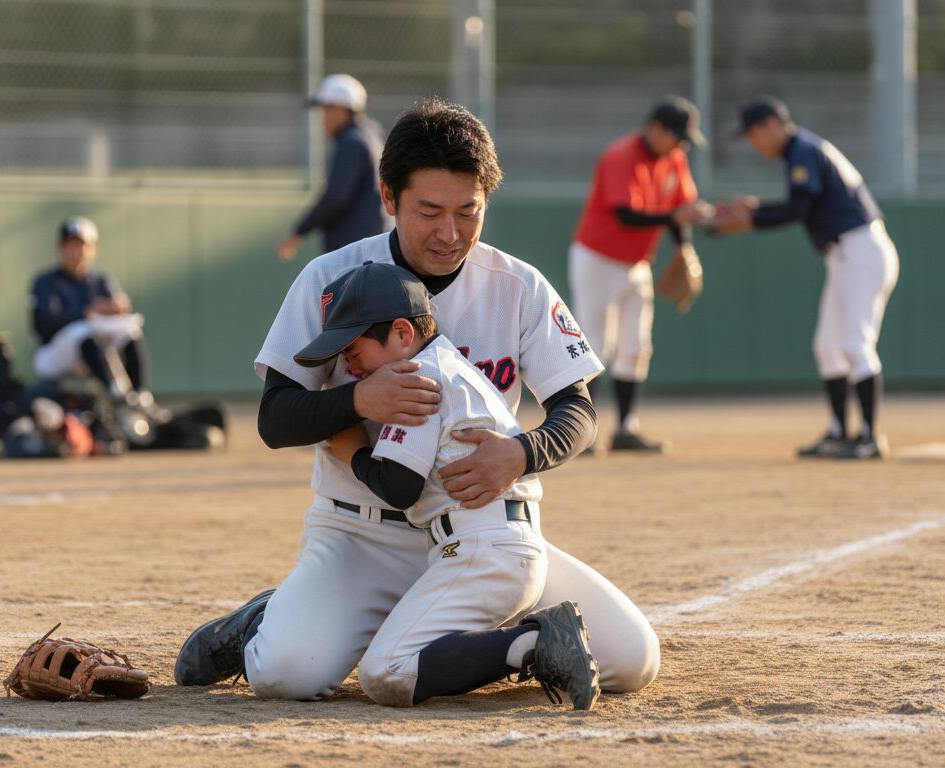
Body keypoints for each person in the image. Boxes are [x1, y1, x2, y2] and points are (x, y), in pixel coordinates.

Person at [175, 98, 660, 704]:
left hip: (475, 535)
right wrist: (359, 401)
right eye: (429, 210)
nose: (449, 232)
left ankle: (460, 637)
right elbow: (275, 418)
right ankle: (275, 617)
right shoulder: (334, 277)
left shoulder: (518, 284)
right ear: (388, 196)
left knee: (630, 661)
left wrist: (524, 451)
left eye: (468, 211)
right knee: (286, 674)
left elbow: (579, 409)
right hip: (363, 536)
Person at [301, 261, 598, 710]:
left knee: (386, 672)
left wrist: (353, 452)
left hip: (482, 550)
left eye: (354, 344)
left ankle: (534, 642)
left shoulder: (418, 378)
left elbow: (398, 487)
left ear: (402, 334)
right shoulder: (445, 364)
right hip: (492, 544)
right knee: (393, 659)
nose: (346, 359)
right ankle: (527, 644)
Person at [698, 96, 899, 460]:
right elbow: (801, 204)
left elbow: (799, 209)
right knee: (827, 346)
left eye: (755, 134)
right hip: (847, 253)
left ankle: (869, 437)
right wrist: (755, 209)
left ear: (773, 124)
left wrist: (748, 220)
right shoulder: (804, 149)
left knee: (855, 344)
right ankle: (840, 432)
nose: (754, 144)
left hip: (860, 250)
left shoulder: (802, 150)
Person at [569, 96, 706, 453]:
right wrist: (675, 221)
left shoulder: (674, 158)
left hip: (636, 263)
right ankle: (585, 432)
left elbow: (682, 209)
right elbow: (626, 215)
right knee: (595, 346)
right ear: (655, 128)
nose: (681, 144)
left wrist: (683, 246)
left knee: (636, 346)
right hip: (598, 259)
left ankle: (626, 429)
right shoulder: (622, 155)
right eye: (676, 135)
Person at [29, 216, 161, 415]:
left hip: (94, 352)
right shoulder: (46, 282)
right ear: (61, 248)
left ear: (94, 249)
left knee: (130, 328)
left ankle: (140, 396)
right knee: (83, 330)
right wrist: (88, 311)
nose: (78, 252)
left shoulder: (100, 281)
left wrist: (117, 308)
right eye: (72, 245)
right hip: (53, 355)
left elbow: (119, 312)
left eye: (84, 246)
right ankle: (118, 397)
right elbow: (44, 325)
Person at [277, 74, 388, 262]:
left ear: (342, 109)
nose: (321, 117)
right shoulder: (371, 132)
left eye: (326, 109)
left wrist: (299, 231)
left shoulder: (352, 142)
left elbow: (335, 197)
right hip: (374, 243)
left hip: (355, 250)